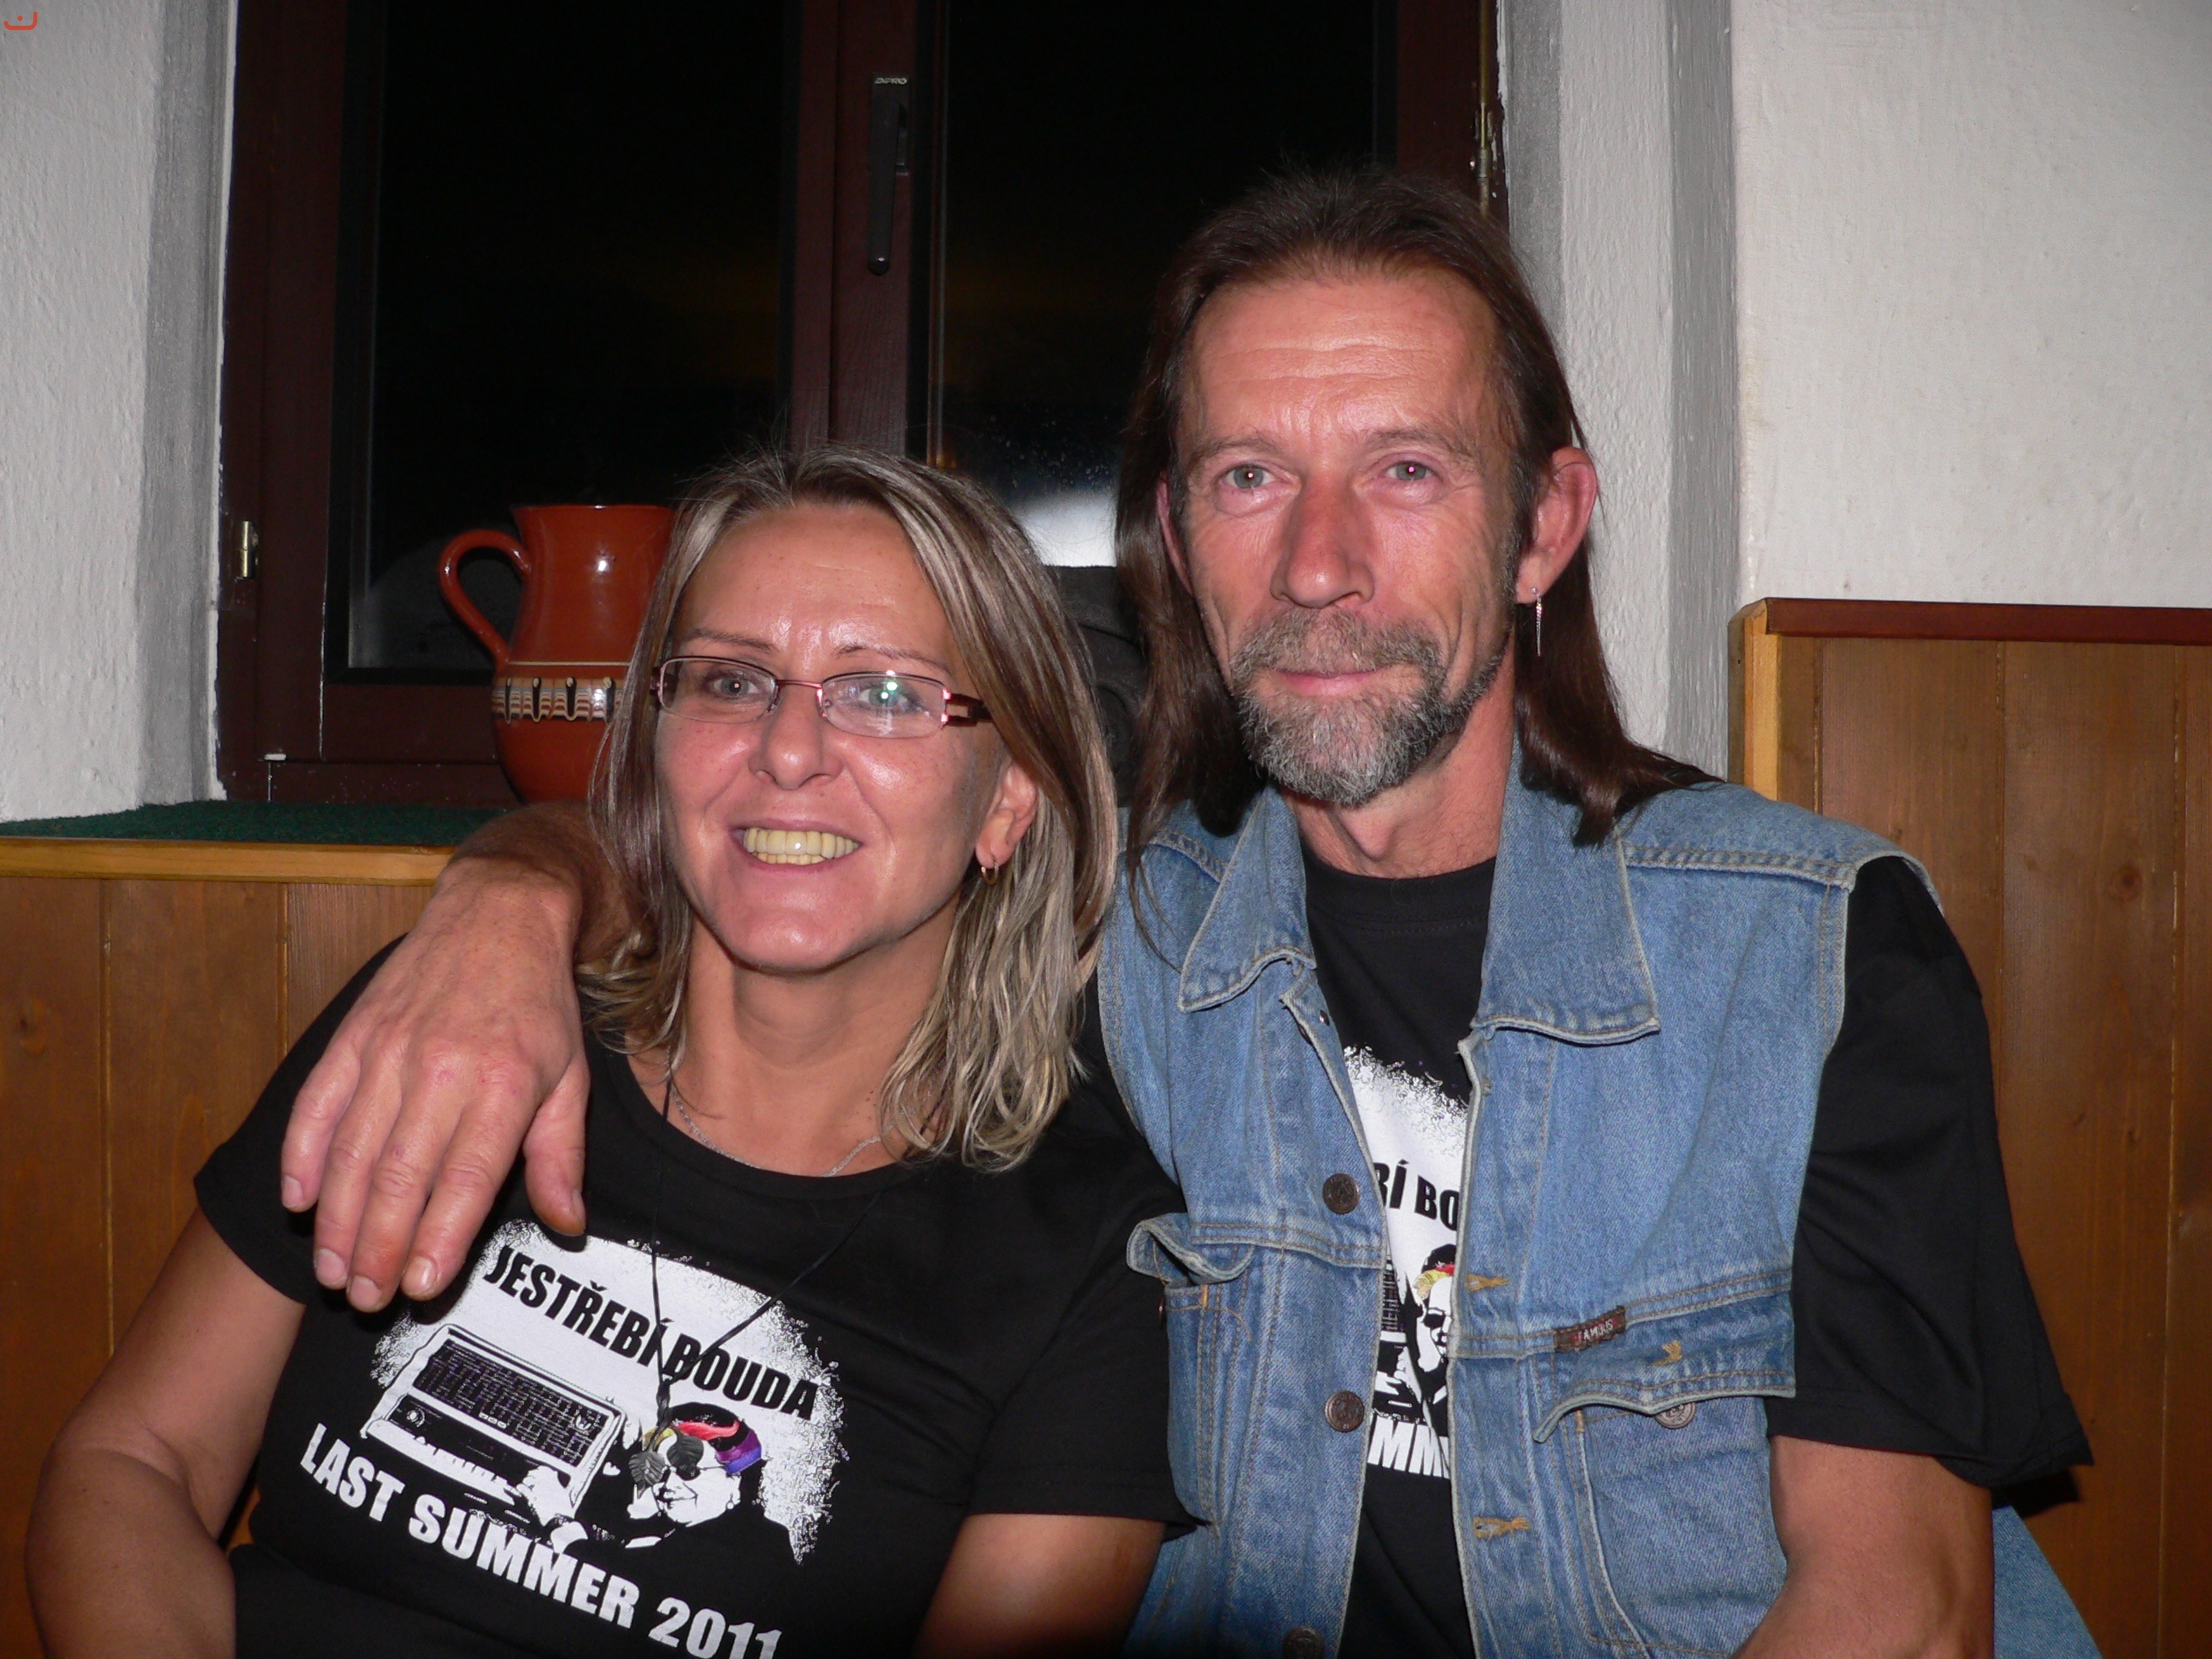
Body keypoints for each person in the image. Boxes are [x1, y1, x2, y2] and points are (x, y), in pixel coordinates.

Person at [259, 170, 2097, 1656]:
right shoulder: (1120, 940)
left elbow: (1896, 1612)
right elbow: (797, 821)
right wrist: (513, 894)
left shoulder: (1806, 955)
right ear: (1173, 539)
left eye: (1405, 469)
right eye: (1248, 479)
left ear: (1543, 526)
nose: (1317, 564)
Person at [28, 448, 1187, 1658]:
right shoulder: (462, 1026)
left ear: (1008, 800)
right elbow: (134, 1459)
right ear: (657, 739)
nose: (789, 750)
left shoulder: (1094, 1260)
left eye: (886, 692)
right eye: (731, 680)